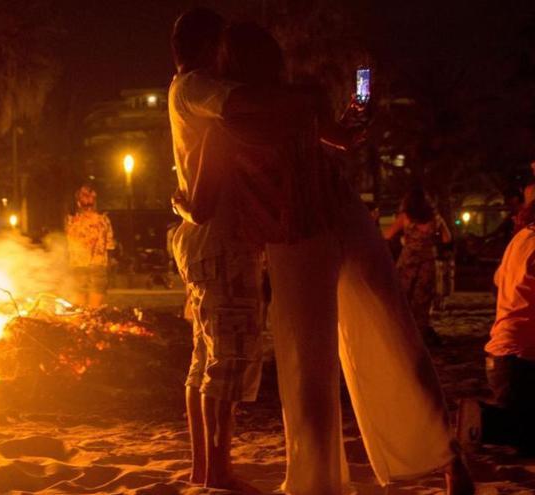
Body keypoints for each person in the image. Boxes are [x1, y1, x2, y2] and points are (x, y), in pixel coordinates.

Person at [173, 17, 474, 495]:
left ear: (229, 62)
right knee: (394, 330)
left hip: (295, 238)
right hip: (344, 214)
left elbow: (204, 198)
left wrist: (181, 203)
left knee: (307, 369)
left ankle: (317, 482)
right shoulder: (299, 100)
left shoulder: (228, 122)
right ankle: (447, 458)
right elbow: (346, 137)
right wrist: (360, 96)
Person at [167, 9, 265, 491]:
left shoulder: (186, 93)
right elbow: (244, 102)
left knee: (205, 359)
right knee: (224, 362)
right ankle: (218, 470)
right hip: (222, 243)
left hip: (203, 244)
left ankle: (204, 468)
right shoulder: (200, 91)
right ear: (210, 48)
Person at [457, 200, 535, 456]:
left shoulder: (520, 239)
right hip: (521, 358)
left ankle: (485, 419)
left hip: (502, 355)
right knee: (526, 435)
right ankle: (481, 420)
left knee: (522, 426)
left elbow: (497, 280)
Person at [383, 187, 452, 344]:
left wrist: (403, 240)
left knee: (402, 298)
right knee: (422, 301)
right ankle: (419, 336)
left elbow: (387, 235)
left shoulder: (405, 218)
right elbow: (447, 238)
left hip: (408, 261)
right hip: (427, 262)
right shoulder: (436, 218)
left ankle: (401, 335)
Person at [65, 185, 115, 307]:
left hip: (77, 266)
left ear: (78, 203)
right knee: (94, 310)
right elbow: (109, 246)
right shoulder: (103, 221)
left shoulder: (71, 222)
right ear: (95, 202)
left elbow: (68, 245)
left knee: (79, 308)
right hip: (98, 265)